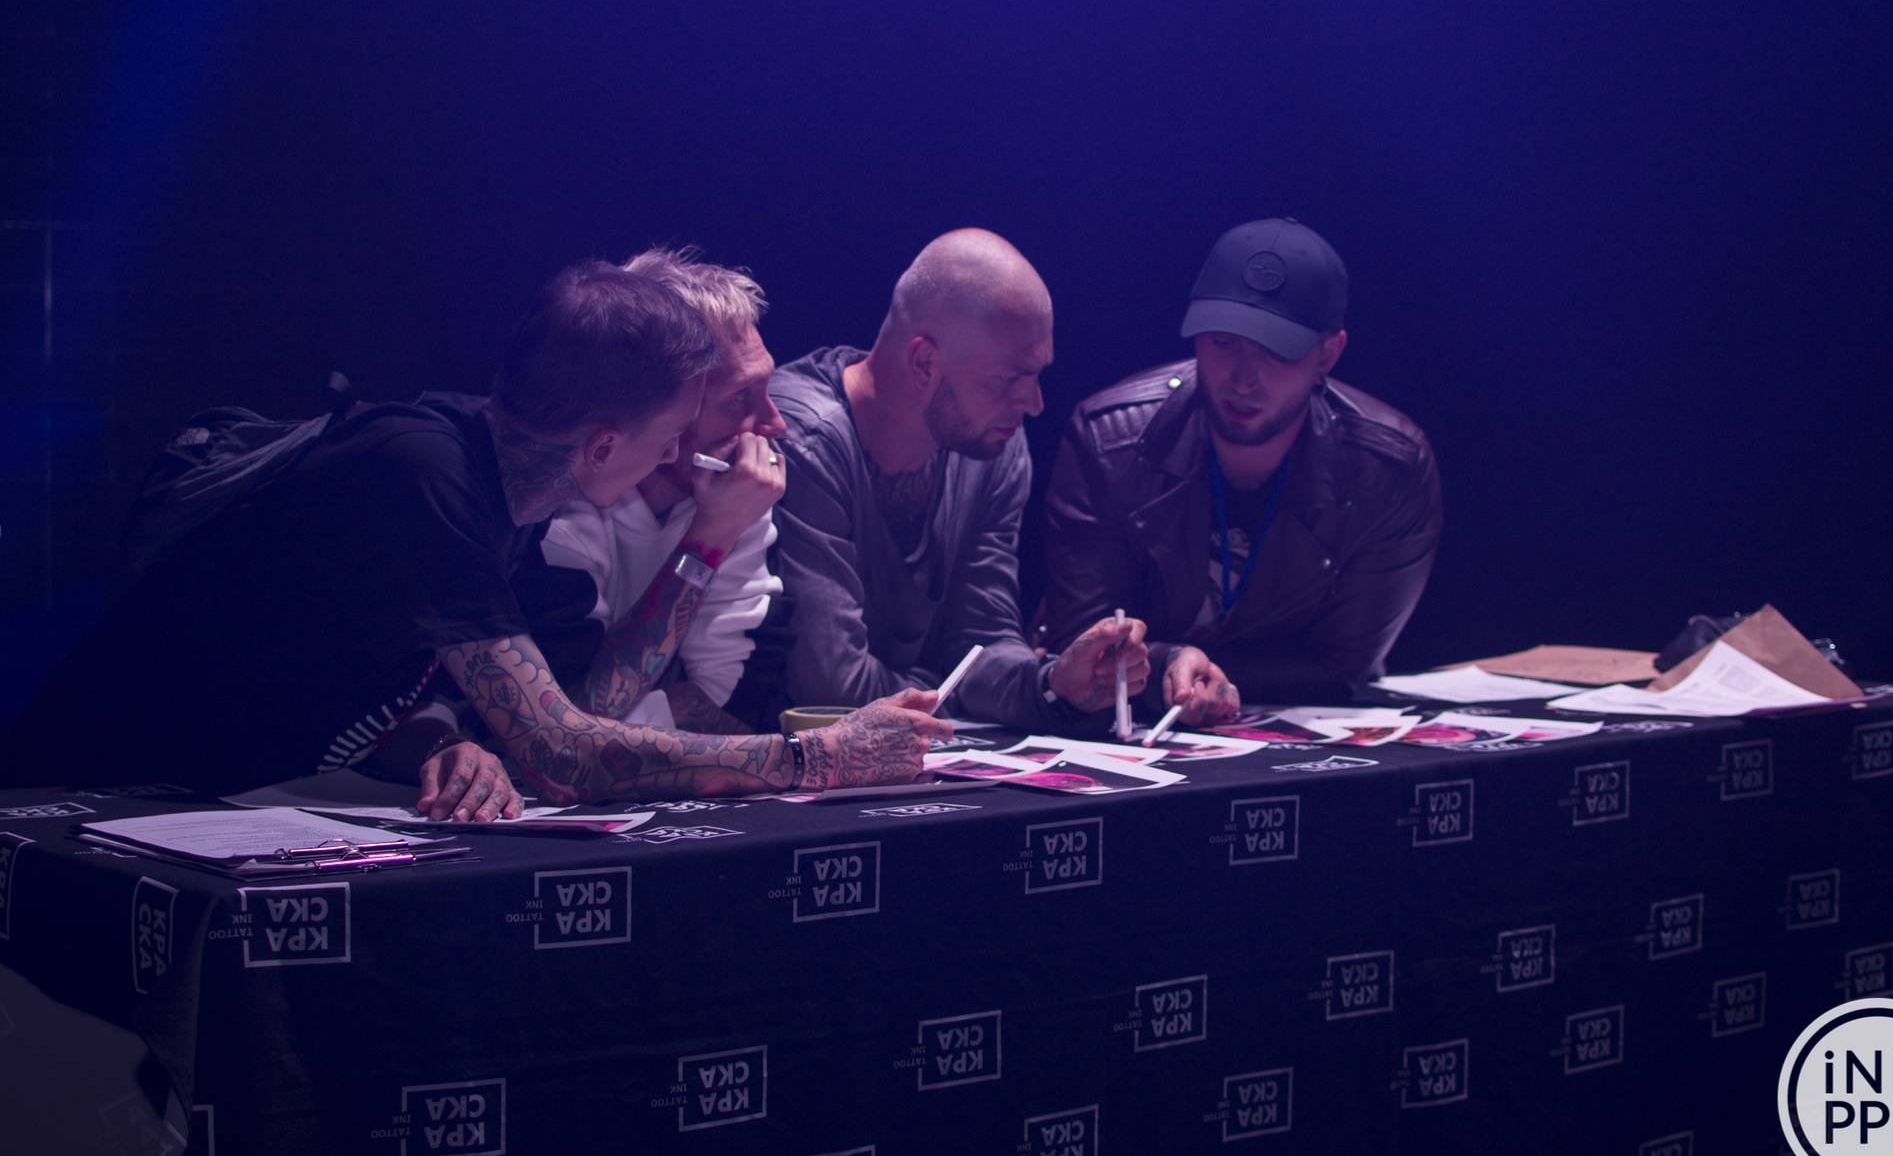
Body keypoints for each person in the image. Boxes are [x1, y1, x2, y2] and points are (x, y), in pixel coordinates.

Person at [6, 262, 947, 812]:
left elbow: (340, 658)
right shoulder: (425, 474)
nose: (676, 456)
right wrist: (820, 758)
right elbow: (563, 753)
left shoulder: (496, 487)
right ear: (603, 445)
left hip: (184, 807)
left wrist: (433, 744)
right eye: (667, 437)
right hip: (77, 801)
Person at [763, 227, 1182, 730]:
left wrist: (1051, 683)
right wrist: (962, 690)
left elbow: (982, 639)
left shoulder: (990, 447)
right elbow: (830, 689)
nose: (1034, 404)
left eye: (1038, 375)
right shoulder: (805, 442)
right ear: (924, 362)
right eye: (1010, 378)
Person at [1041, 218, 1442, 705]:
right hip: (1127, 726)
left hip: (1299, 722)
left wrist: (1204, 674)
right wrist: (1171, 664)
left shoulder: (1388, 470)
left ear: (1328, 354)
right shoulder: (1109, 442)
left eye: (1275, 351)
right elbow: (1078, 646)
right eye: (1223, 342)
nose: (1243, 378)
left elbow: (1344, 665)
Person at [525, 248, 786, 735]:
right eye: (740, 398)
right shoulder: (556, 501)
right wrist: (711, 538)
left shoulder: (735, 489)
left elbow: (735, 707)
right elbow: (573, 725)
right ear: (668, 403)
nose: (776, 424)